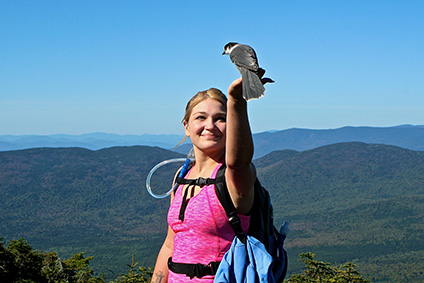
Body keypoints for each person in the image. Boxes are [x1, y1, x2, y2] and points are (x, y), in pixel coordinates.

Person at [151, 77, 257, 282]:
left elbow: (240, 162)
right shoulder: (182, 176)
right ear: (186, 126)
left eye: (220, 118)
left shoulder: (233, 176)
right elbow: (170, 244)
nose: (210, 125)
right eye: (201, 117)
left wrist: (237, 101)